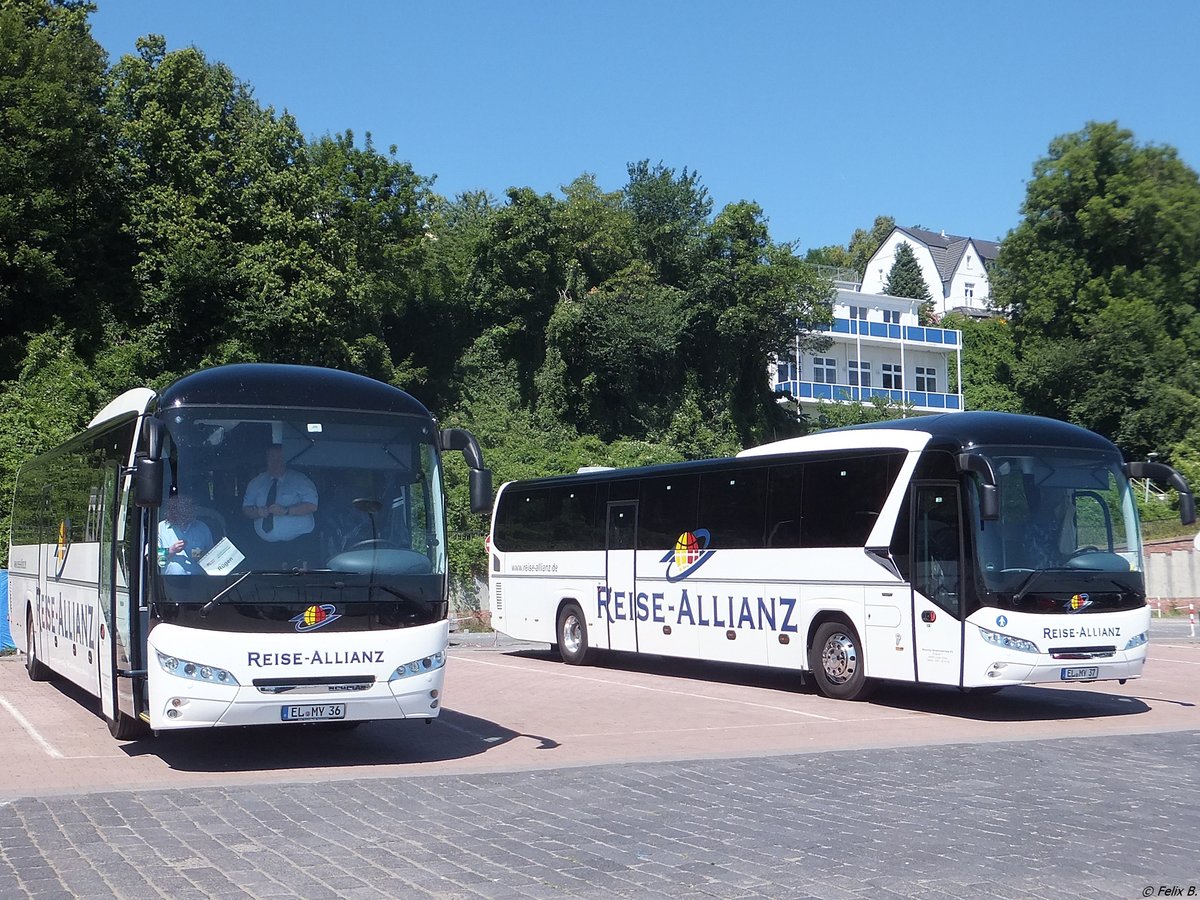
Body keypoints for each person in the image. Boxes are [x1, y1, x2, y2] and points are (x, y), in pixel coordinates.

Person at [242, 444, 318, 542]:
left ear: (286, 460)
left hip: (299, 542)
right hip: (263, 545)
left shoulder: (301, 480)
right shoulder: (256, 482)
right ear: (267, 460)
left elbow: (312, 506)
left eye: (280, 459)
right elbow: (246, 508)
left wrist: (287, 511)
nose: (275, 463)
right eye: (272, 459)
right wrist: (257, 512)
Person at [158, 494, 214, 575]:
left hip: (200, 582)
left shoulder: (202, 528)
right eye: (179, 522)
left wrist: (200, 554)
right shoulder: (161, 528)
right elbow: (150, 558)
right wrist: (171, 551)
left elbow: (213, 557)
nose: (183, 525)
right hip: (168, 583)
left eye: (186, 522)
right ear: (172, 516)